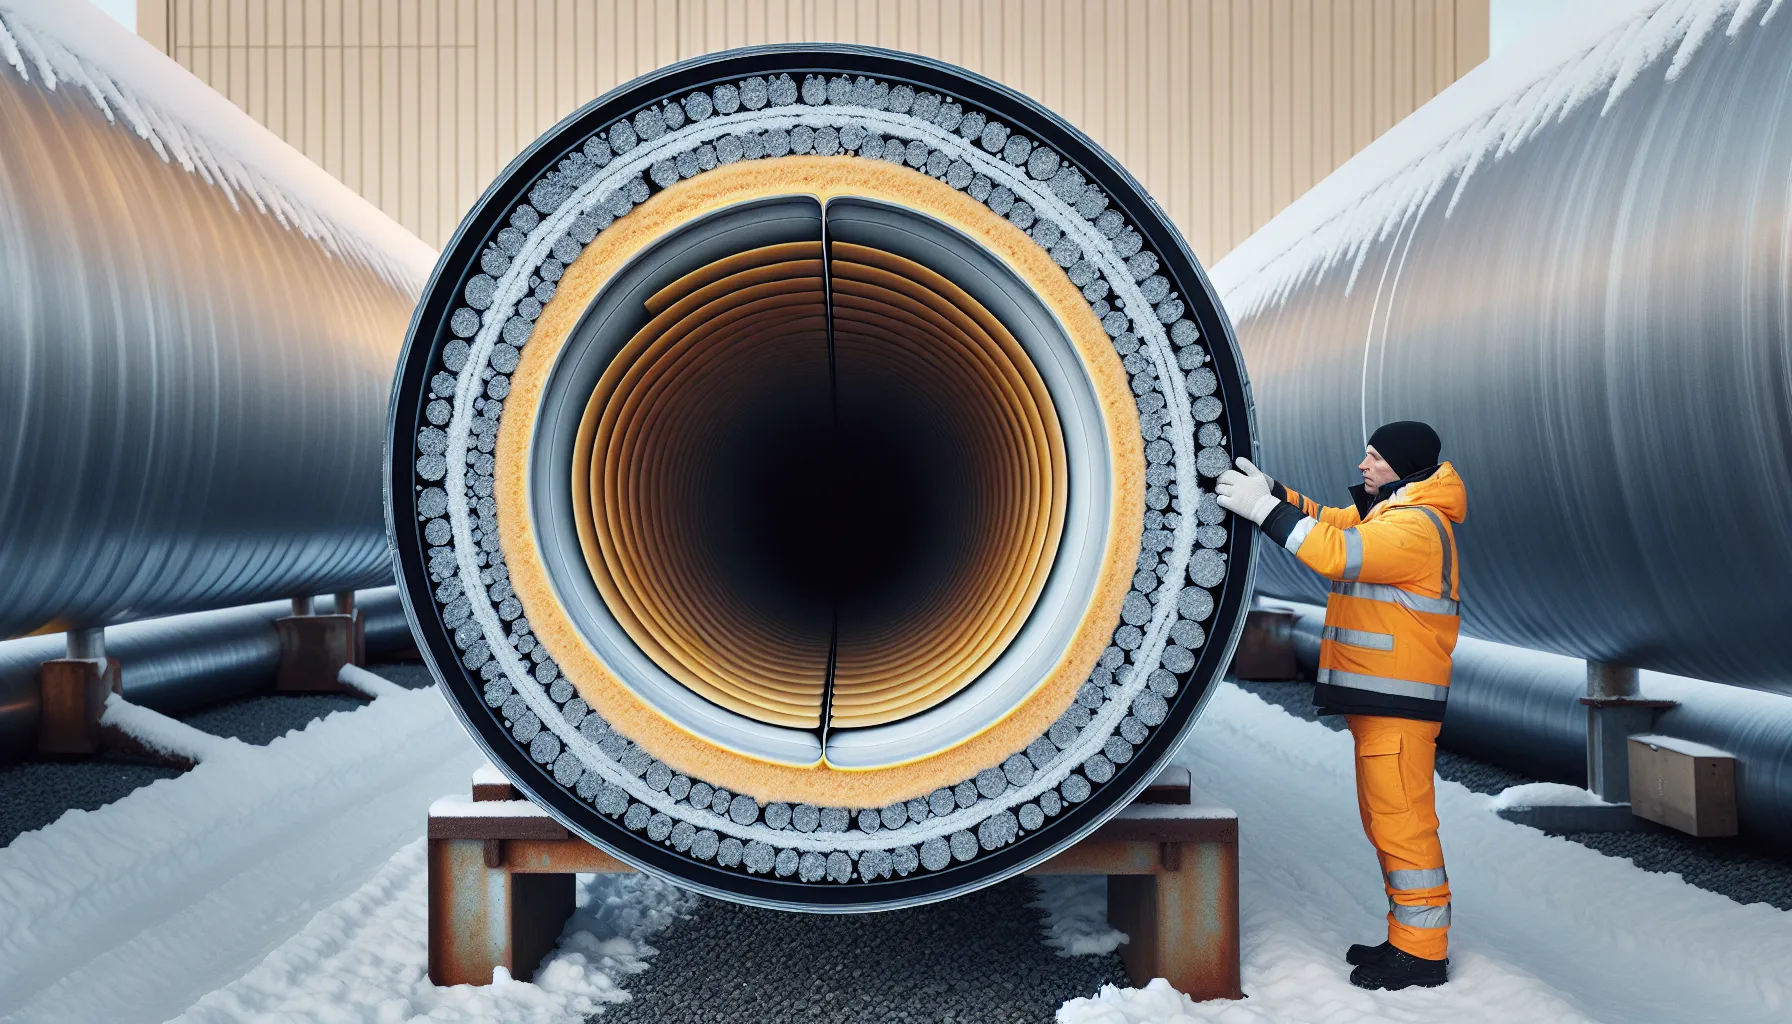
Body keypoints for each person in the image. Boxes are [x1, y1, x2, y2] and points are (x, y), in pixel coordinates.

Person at [1214, 421, 1465, 991]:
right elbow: (1331, 520)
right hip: (1382, 701)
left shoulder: (1415, 527)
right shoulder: (1392, 513)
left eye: (1373, 456)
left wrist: (1263, 513)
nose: (1362, 464)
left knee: (1405, 826)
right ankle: (1407, 938)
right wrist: (1274, 492)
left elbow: (1335, 552)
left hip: (1398, 705)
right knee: (1386, 821)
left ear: (1402, 466)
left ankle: (1423, 955)